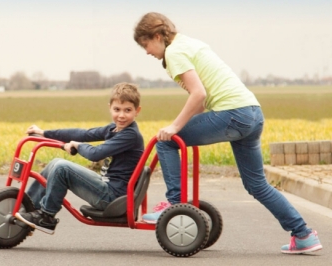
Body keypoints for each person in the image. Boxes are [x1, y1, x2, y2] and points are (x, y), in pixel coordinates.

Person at [133, 12, 322, 254]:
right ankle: (303, 235)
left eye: (145, 44)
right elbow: (201, 103)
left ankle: (173, 204)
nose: (147, 51)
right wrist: (177, 126)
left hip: (232, 113)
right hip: (252, 113)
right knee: (256, 184)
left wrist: (174, 128)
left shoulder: (174, 52)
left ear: (157, 36)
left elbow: (198, 94)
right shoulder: (190, 43)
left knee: (167, 143)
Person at [15, 82, 144, 235]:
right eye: (117, 109)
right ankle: (27, 209)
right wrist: (44, 133)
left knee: (61, 168)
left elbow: (96, 153)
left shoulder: (130, 135)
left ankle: (46, 216)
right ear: (110, 107)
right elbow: (83, 134)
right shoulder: (113, 129)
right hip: (107, 187)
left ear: (137, 111)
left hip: (113, 197)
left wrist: (77, 145)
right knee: (54, 163)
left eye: (127, 110)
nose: (121, 115)